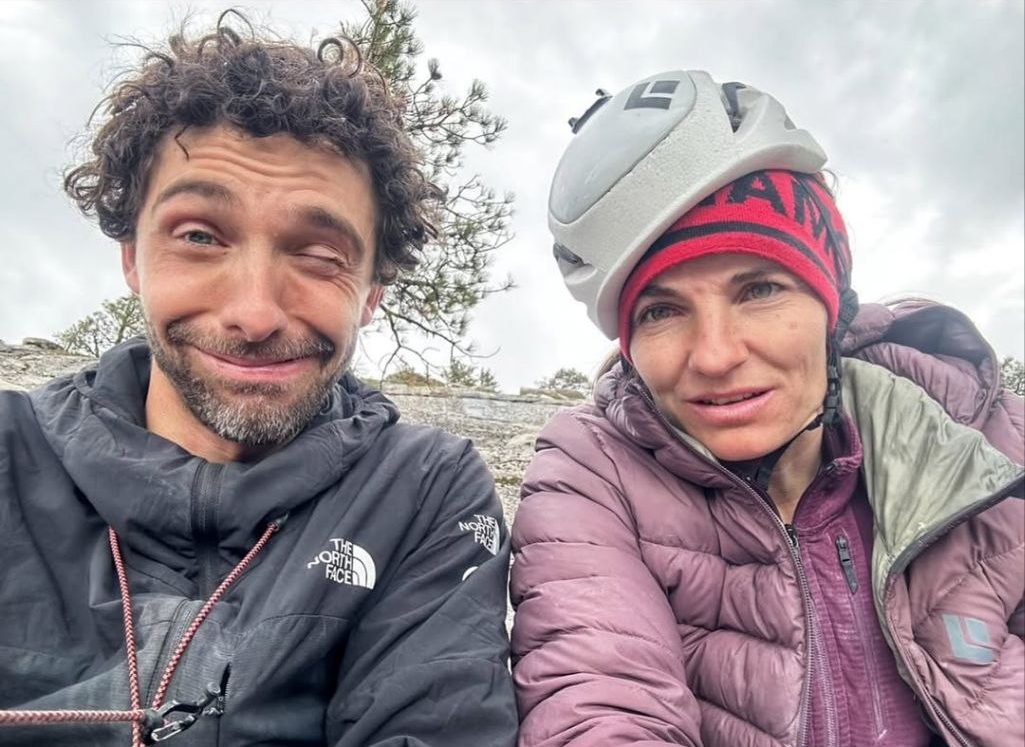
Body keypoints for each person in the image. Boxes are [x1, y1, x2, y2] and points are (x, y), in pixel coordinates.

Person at [0, 11, 518, 747]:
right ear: (131, 258)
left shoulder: (420, 492)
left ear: (371, 291)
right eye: (200, 237)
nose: (253, 313)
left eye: (318, 253)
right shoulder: (9, 454)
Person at [510, 69, 1024, 747]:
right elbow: (600, 703)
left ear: (830, 304)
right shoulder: (592, 471)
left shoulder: (984, 439)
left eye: (758, 289)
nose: (716, 354)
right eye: (662, 310)